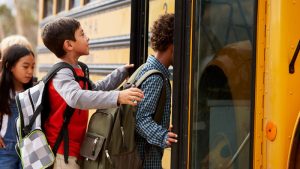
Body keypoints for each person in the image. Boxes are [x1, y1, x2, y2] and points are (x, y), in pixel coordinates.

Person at [41, 17, 144, 169]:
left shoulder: (78, 69)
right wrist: (118, 97)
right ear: (69, 45)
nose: (87, 37)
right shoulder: (61, 73)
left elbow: (93, 91)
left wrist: (120, 73)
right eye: (82, 34)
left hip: (77, 147)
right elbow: (76, 98)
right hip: (63, 151)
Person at [135, 13, 177, 168]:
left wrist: (163, 127)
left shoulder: (146, 69)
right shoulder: (155, 77)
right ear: (173, 47)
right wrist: (164, 136)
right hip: (145, 159)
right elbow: (140, 119)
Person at [0, 45, 35, 169]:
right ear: (9, 66)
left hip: (29, 149)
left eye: (32, 67)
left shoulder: (34, 91)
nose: (30, 71)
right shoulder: (3, 91)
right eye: (25, 67)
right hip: (6, 150)